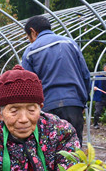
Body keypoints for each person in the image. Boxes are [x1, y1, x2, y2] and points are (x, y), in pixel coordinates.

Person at [21, 15, 91, 143]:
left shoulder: (30, 51)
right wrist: (83, 100)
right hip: (74, 104)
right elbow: (85, 75)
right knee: (74, 148)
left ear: (33, 31)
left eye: (28, 37)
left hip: (47, 108)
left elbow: (28, 86)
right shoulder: (70, 43)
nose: (29, 40)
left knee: (50, 149)